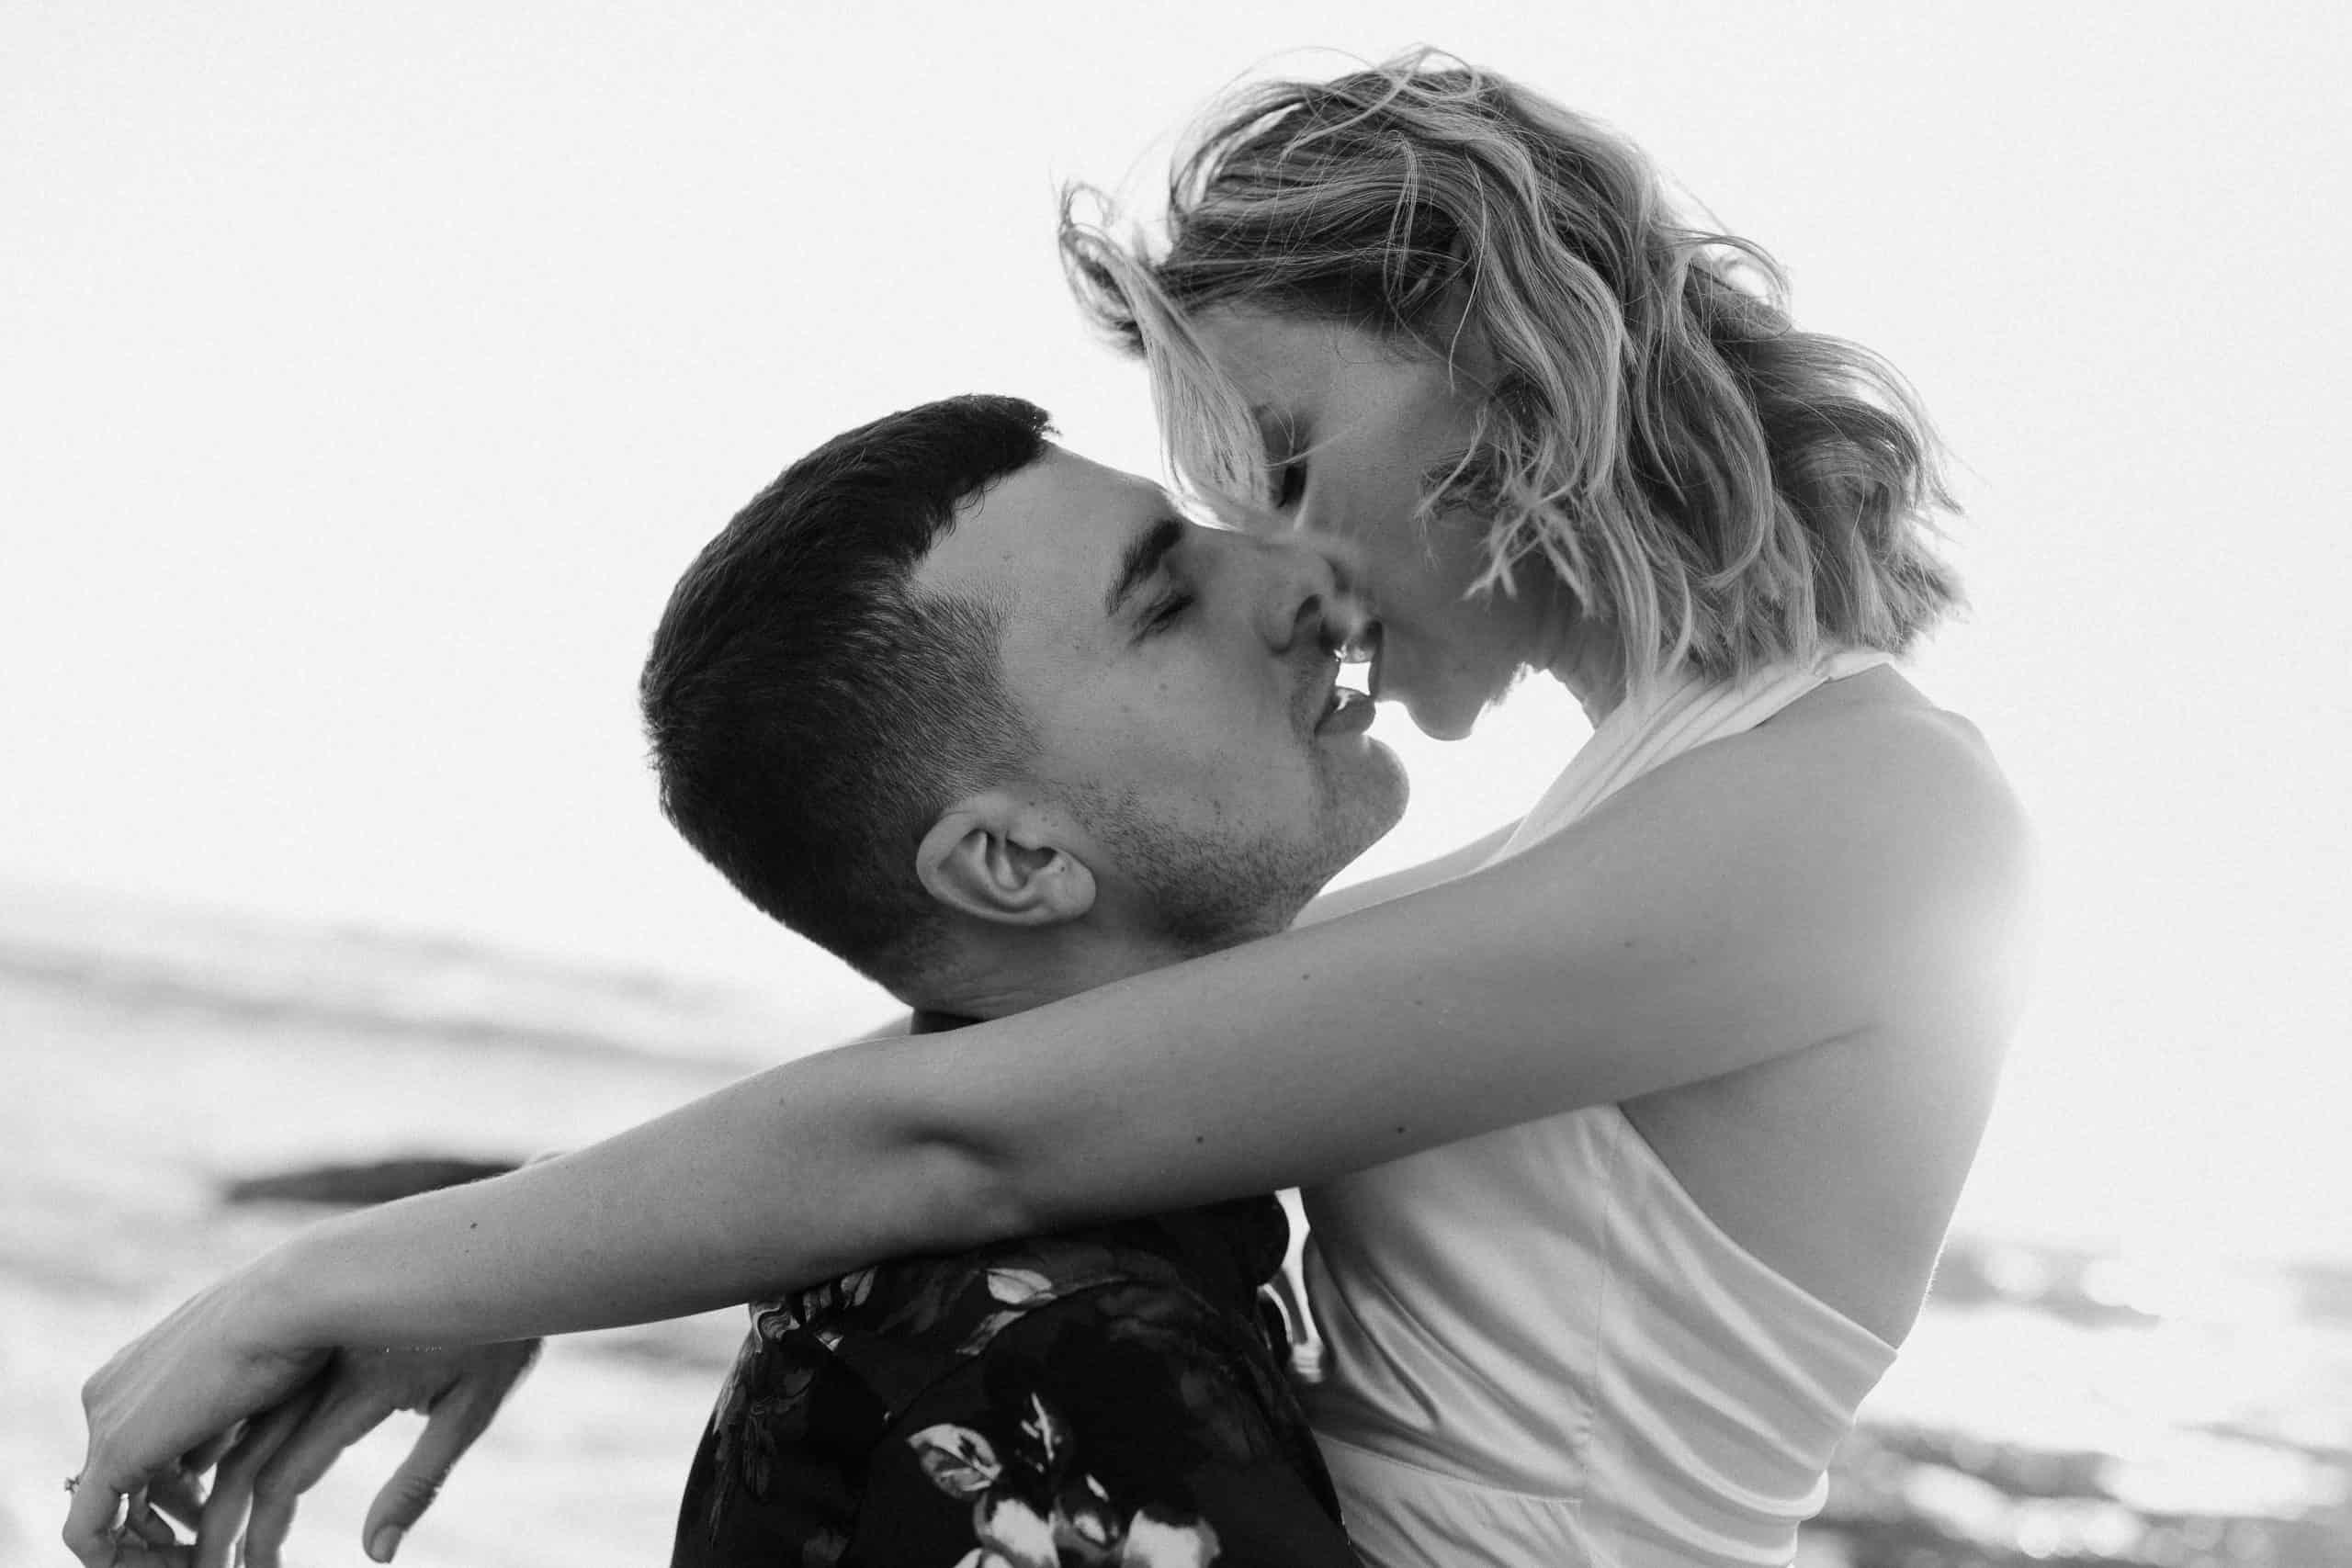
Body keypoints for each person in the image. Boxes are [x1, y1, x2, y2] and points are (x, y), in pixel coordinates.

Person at [69, 51, 2034, 1568]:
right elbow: (997, 1074)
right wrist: (508, 1264)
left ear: (1514, 369)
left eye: (1287, 460)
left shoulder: (1863, 822)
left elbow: (968, 1136)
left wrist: (341, 1271)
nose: (1296, 571)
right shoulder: (1646, 818)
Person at [646, 393, 1383, 1567]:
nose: (1303, 577)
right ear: (1014, 862)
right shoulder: (1072, 1374)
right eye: (1167, 604)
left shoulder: (974, 1284)